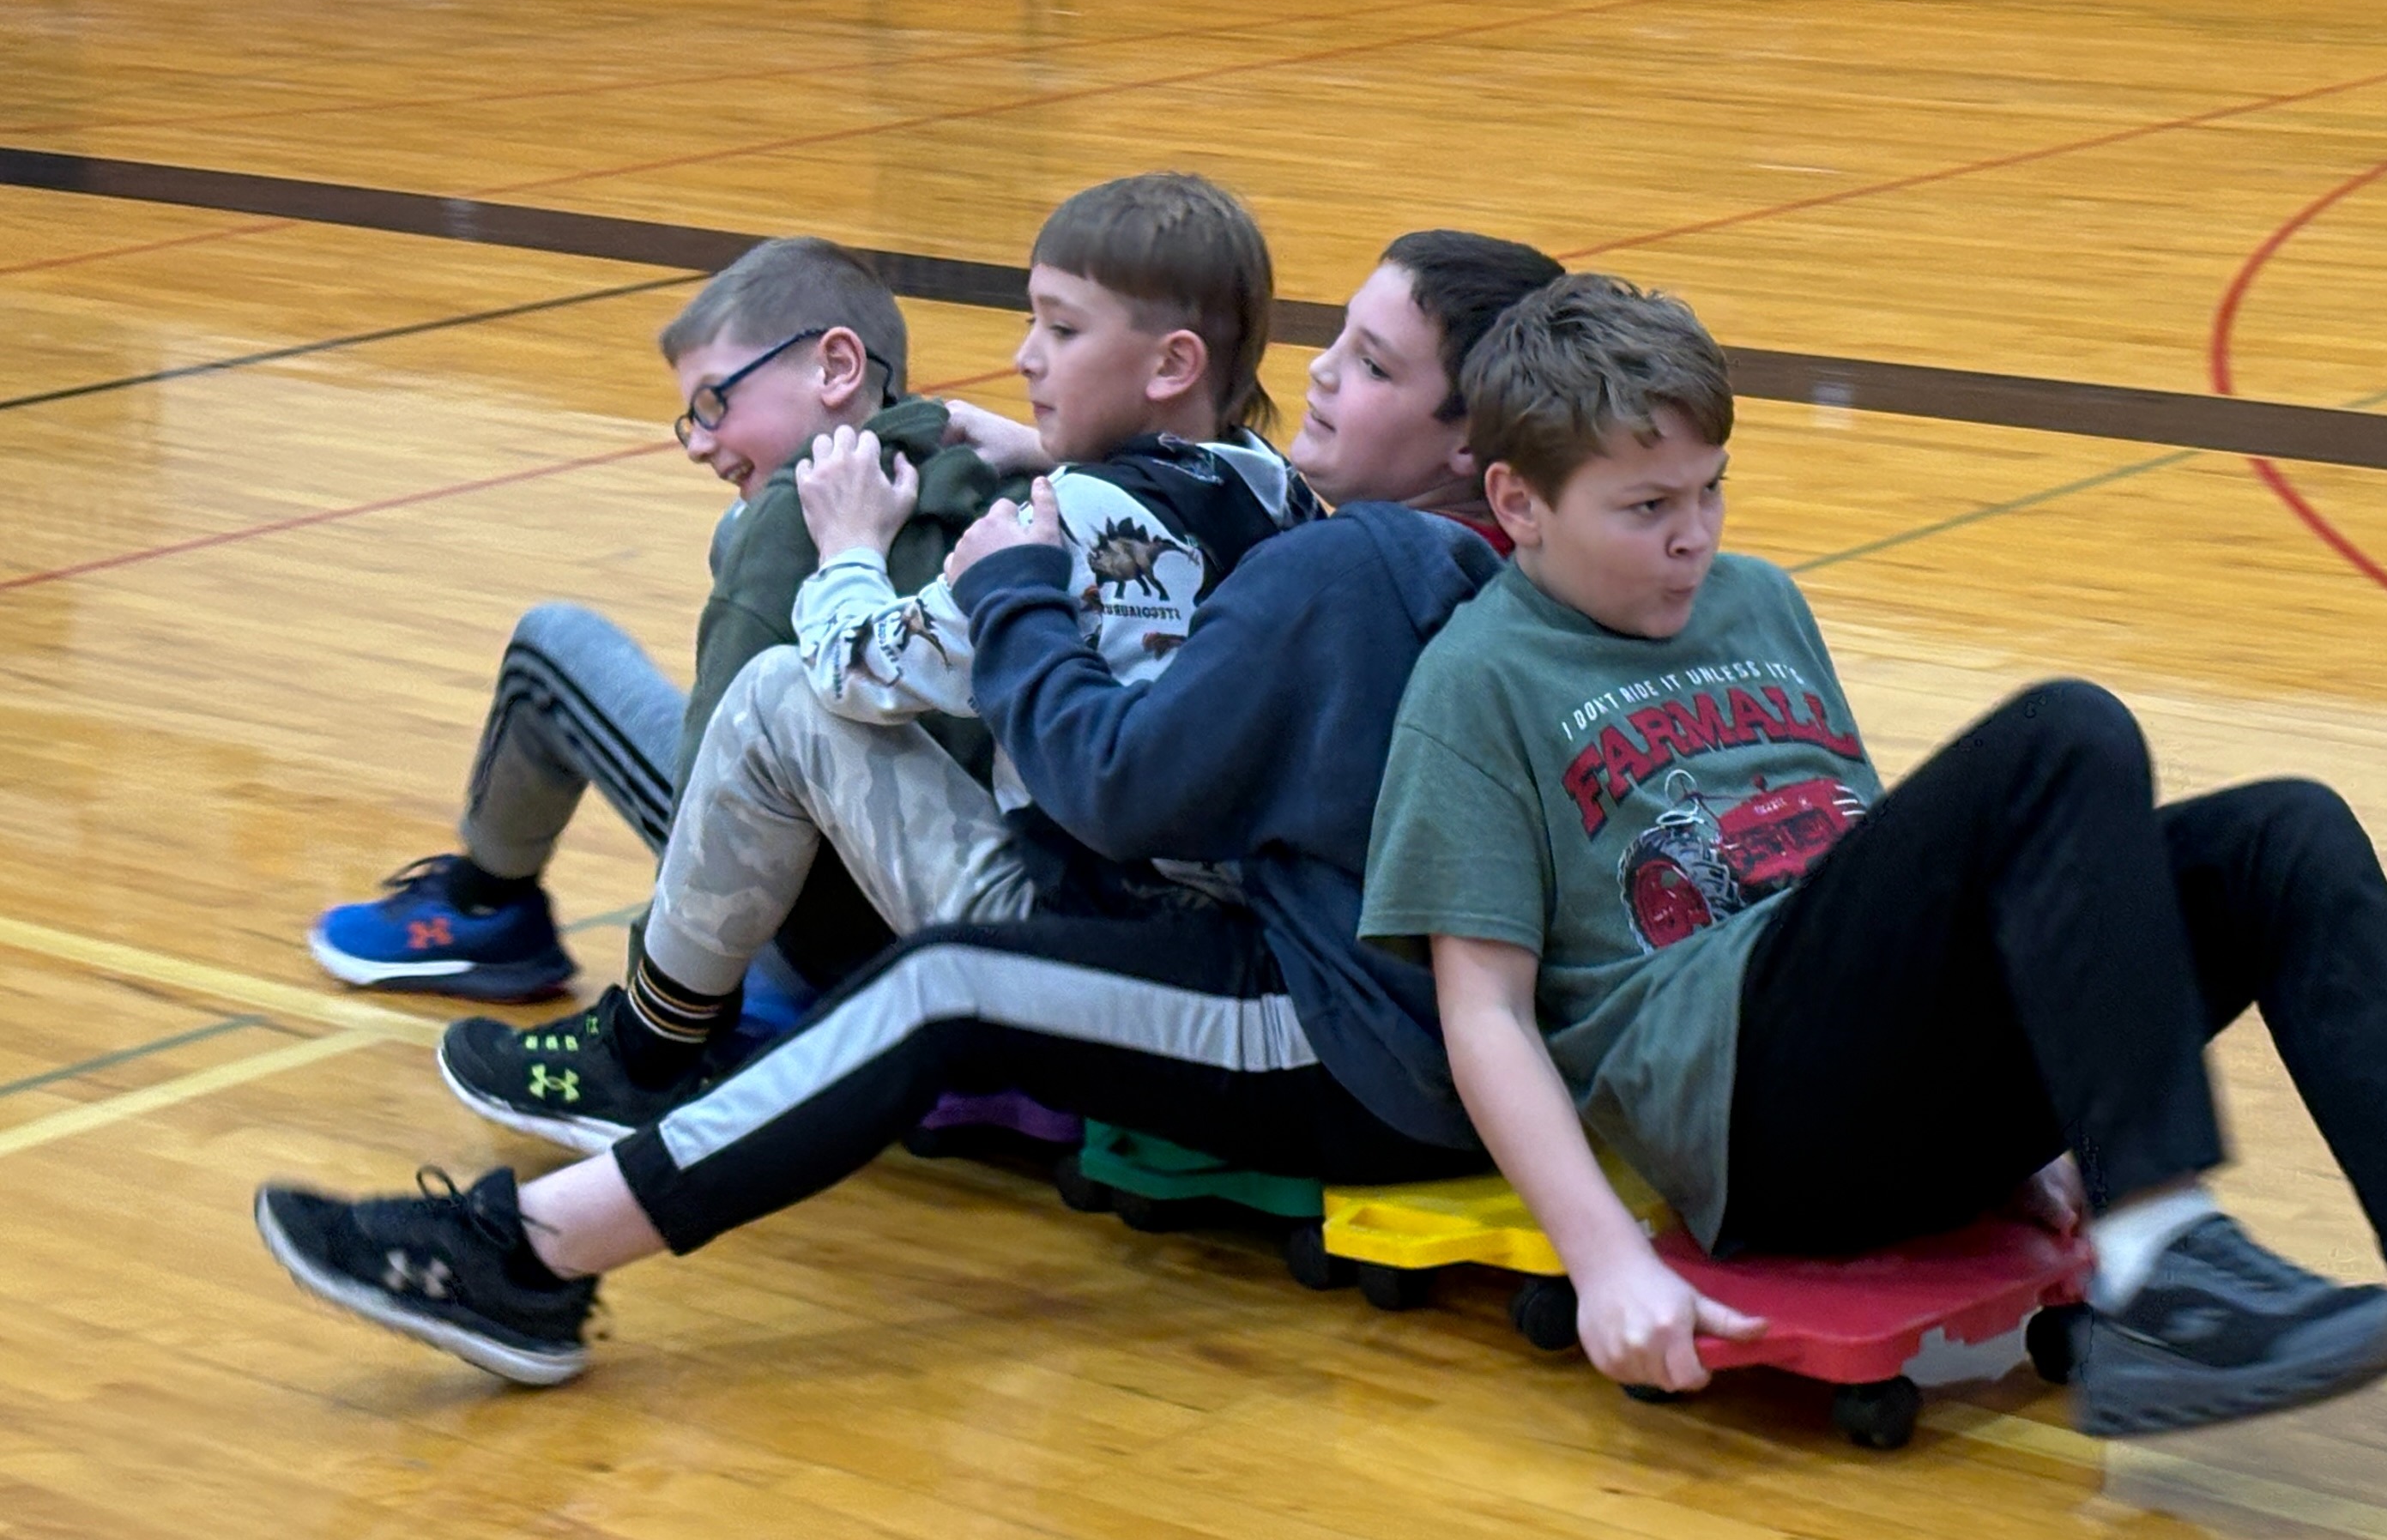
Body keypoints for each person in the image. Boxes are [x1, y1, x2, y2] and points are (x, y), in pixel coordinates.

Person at [1354, 274, 2387, 1504]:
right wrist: (1605, 1261)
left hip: (1878, 1079)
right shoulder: (1475, 683)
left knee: (2284, 834)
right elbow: (1482, 1011)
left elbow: (1884, 868)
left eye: (1711, 490)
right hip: (1742, 1110)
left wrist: (2059, 1110)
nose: (1694, 535)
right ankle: (2164, 1267)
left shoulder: (1757, 602)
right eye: (1644, 507)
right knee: (2064, 733)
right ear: (1517, 501)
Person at [251, 231, 1572, 1388]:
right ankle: (577, 1174)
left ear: (1473, 440)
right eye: (1334, 339)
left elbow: (1121, 792)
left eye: (1372, 364)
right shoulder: (1520, 560)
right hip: (1393, 1011)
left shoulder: (1352, 568)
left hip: (1338, 1037)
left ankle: (532, 1249)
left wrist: (1010, 589)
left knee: (940, 976)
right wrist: (1059, 452)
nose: (1323, 373)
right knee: (903, 875)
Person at [426, 172, 1327, 1150]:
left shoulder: (1057, 521)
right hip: (1240, 942)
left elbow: (858, 665)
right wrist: (1052, 452)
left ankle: (647, 1052)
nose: (1024, 355)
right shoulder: (1274, 488)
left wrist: (849, 548)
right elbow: (1157, 535)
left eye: (1061, 330)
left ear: (1172, 363)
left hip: (1074, 955)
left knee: (778, 695)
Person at [305, 237, 996, 1000]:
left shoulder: (785, 525)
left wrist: (663, 1010)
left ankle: (488, 907)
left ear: (836, 367)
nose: (697, 443)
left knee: (550, 647)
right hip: (987, 923)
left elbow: (712, 805)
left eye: (714, 403)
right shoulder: (998, 484)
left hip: (834, 947)